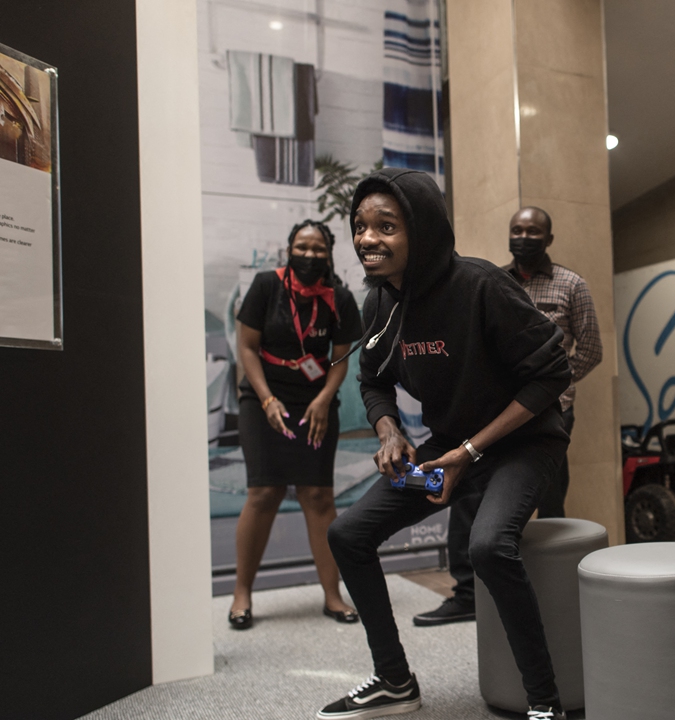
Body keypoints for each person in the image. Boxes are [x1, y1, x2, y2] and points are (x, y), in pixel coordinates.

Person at [319, 168, 572, 720]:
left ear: (421, 230)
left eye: (385, 226)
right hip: (447, 451)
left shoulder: (480, 285)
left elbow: (553, 374)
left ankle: (545, 703)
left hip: (523, 445)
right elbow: (373, 380)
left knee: (487, 547)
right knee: (349, 534)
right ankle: (394, 681)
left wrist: (469, 453)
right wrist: (389, 431)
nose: (367, 239)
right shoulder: (382, 304)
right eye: (360, 226)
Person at [411, 205, 603, 628]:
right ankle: (466, 593)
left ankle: (557, 592)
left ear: (549, 239)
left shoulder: (572, 284)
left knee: (549, 500)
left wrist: (552, 388)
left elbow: (589, 349)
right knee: (467, 500)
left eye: (534, 231)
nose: (524, 236)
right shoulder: (488, 281)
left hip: (550, 414)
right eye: (517, 229)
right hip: (491, 417)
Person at [229, 220, 363, 630]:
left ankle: (333, 595)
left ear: (329, 253)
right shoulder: (266, 286)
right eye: (302, 247)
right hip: (261, 396)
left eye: (318, 248)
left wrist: (324, 398)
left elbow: (340, 358)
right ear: (289, 250)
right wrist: (267, 398)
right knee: (264, 492)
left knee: (319, 495)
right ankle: (242, 594)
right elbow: (247, 347)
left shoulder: (339, 297)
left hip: (315, 401)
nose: (310, 255)